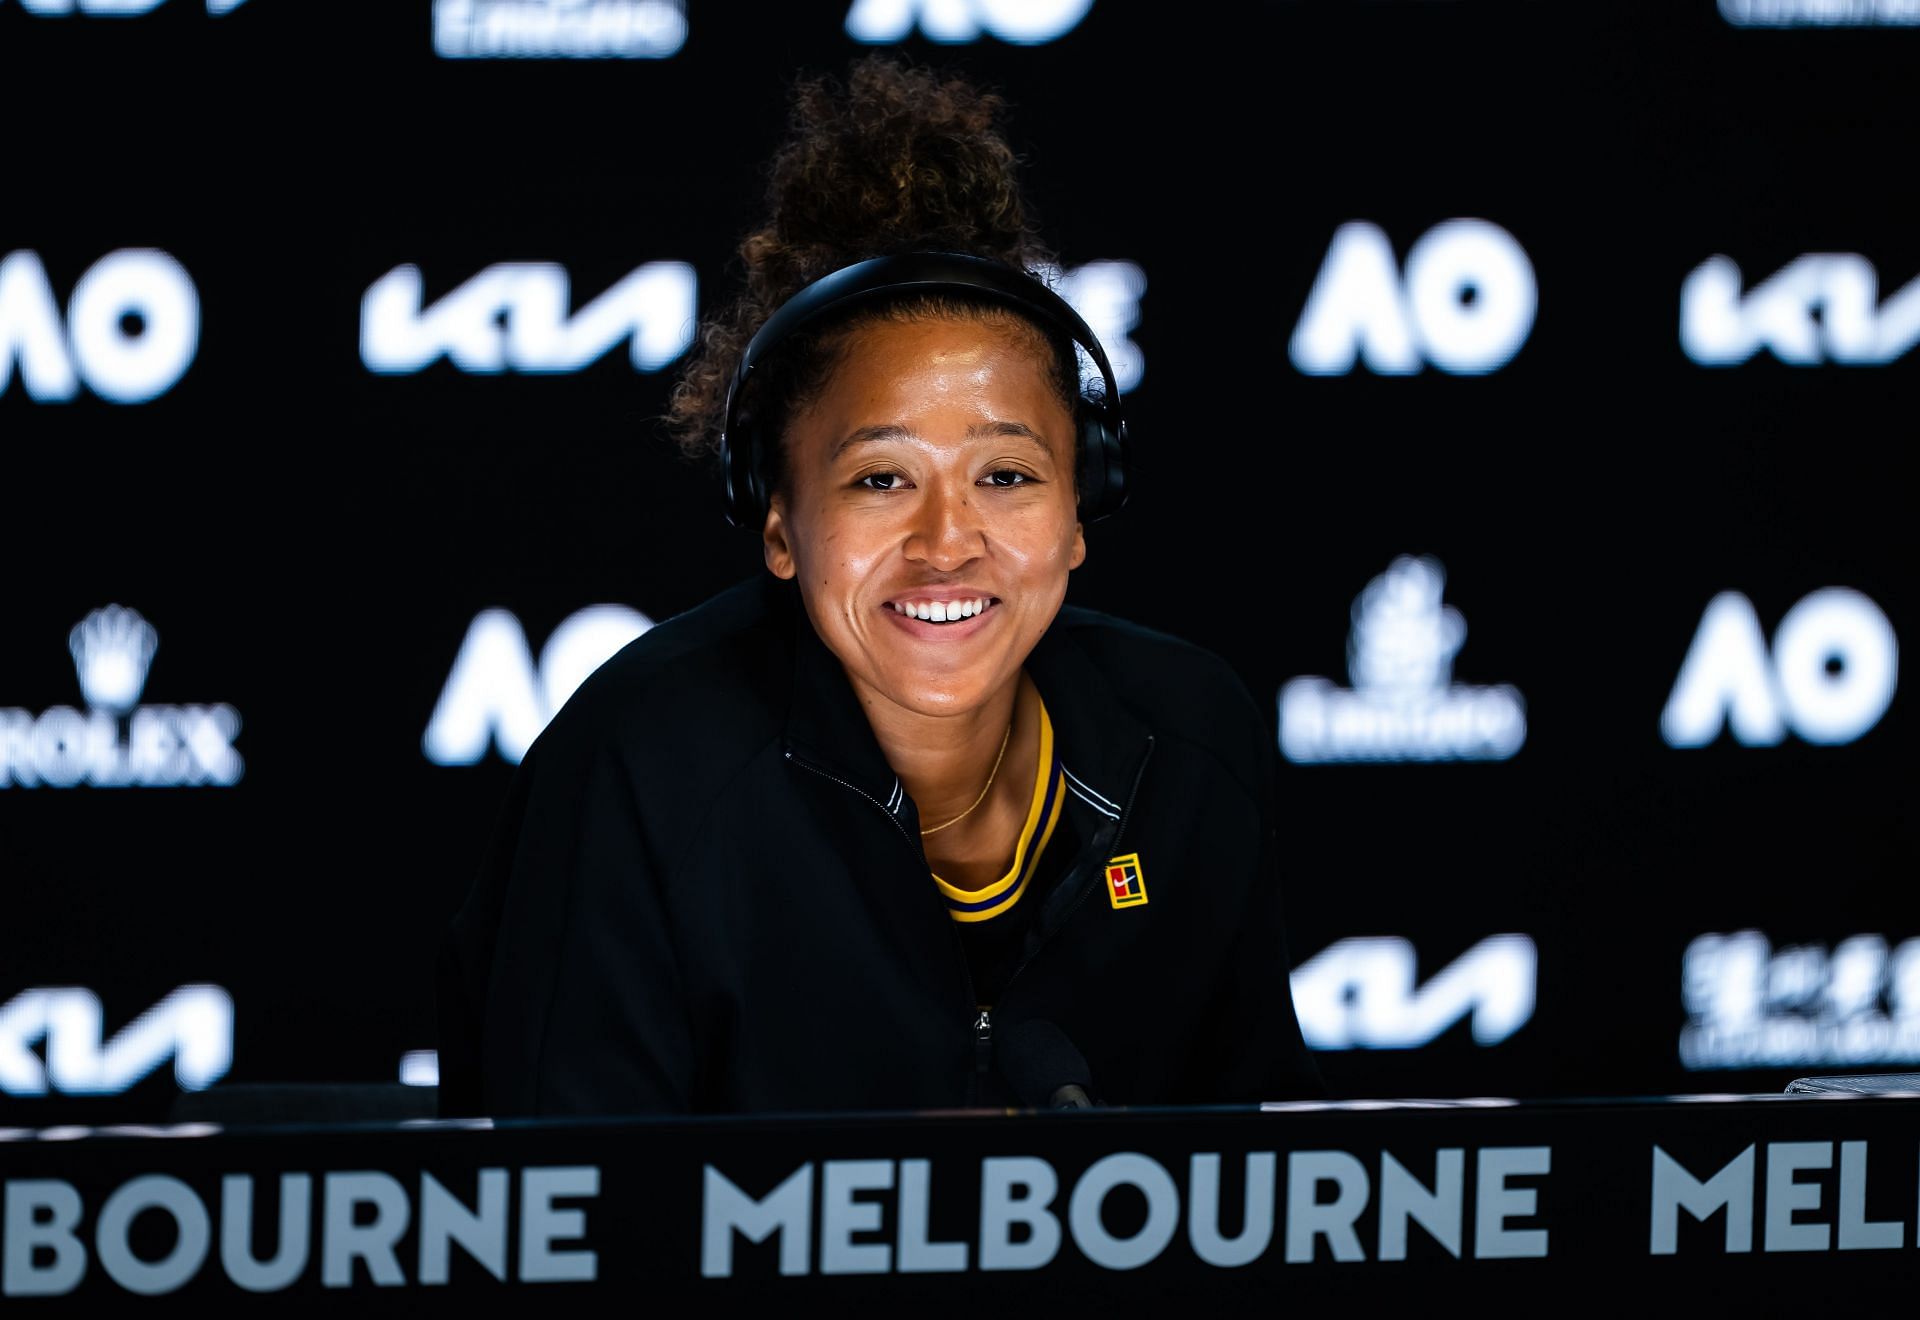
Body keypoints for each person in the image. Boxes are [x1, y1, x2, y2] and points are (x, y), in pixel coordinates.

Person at [436, 55, 1321, 1116]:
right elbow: (555, 1233)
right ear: (775, 518)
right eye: (880, 478)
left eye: (1006, 475)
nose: (948, 542)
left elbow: (1265, 1208)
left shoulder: (1191, 747)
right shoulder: (637, 773)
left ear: (1084, 504)